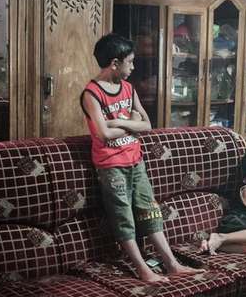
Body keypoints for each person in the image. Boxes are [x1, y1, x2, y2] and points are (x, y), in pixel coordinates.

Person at [80, 33, 202, 283]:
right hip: (111, 165)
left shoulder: (128, 88)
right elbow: (103, 134)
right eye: (130, 62)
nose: (133, 67)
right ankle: (143, 270)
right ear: (115, 63)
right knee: (123, 216)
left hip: (136, 161)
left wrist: (117, 121)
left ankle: (171, 264)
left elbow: (147, 124)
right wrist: (129, 122)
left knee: (150, 210)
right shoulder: (92, 93)